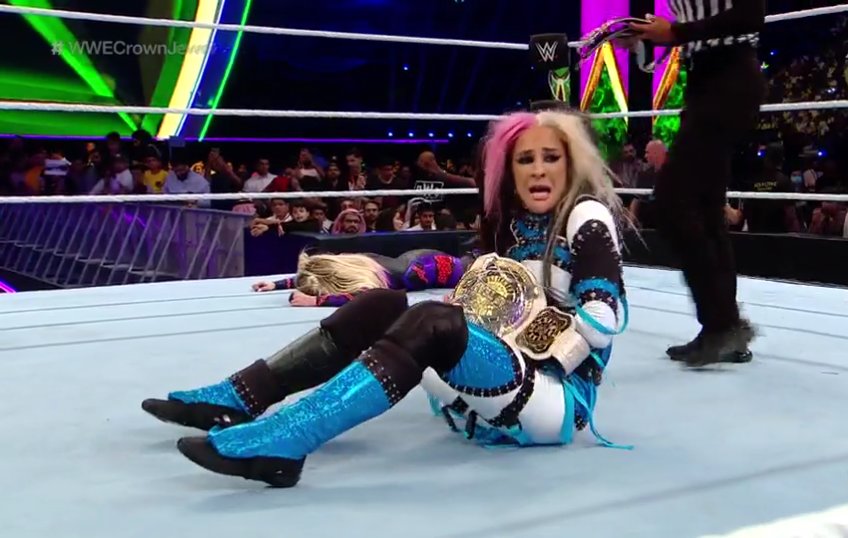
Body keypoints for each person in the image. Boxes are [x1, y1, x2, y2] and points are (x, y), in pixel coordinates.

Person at [143, 108, 630, 487]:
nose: (538, 170)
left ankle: (288, 438)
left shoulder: (585, 215)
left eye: (550, 157)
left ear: (571, 164)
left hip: (553, 397)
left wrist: (519, 337)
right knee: (383, 306)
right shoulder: (513, 223)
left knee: (435, 322)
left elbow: (602, 321)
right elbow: (479, 278)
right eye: (526, 159)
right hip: (495, 379)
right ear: (510, 169)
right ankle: (241, 397)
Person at [617, 1, 766, 366]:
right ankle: (723, 328)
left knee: (672, 204)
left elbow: (752, 13)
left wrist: (675, 32)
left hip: (730, 78)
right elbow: (684, 35)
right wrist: (643, 41)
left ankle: (722, 324)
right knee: (707, 210)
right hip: (703, 81)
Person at [250, 249, 474, 306]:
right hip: (419, 258)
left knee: (474, 269)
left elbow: (364, 297)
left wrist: (317, 300)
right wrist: (276, 284)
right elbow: (317, 268)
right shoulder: (352, 264)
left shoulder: (369, 282)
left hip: (430, 267)